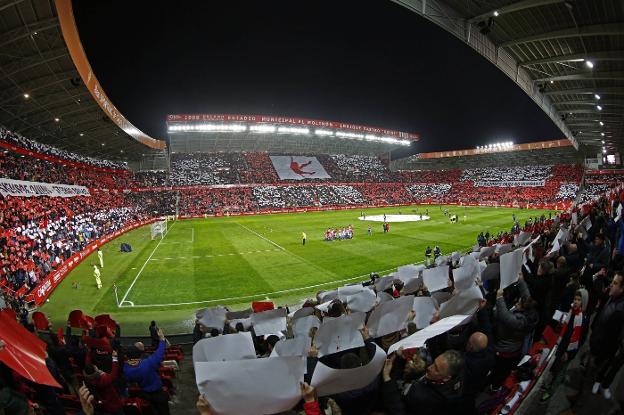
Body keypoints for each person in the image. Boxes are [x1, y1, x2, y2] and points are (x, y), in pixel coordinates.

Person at [382, 349, 465, 415]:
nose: (429, 368)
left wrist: (387, 377)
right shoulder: (455, 373)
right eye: (434, 363)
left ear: (447, 378)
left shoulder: (426, 398)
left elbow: (398, 409)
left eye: (436, 369)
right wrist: (402, 360)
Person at [590, 272, 624, 399]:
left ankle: (599, 383)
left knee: (604, 367)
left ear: (622, 289)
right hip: (599, 345)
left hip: (603, 350)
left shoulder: (619, 311)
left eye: (615, 283)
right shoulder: (613, 297)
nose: (611, 285)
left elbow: (610, 338)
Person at [124, 328, 170, 414]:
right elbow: (160, 352)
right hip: (158, 393)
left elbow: (128, 380)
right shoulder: (148, 363)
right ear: (139, 354)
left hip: (145, 394)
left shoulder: (126, 368)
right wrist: (162, 339)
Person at [83, 350, 124, 415]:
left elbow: (88, 364)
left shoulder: (88, 380)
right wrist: (115, 358)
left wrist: (89, 352)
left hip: (103, 403)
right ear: (96, 371)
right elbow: (114, 372)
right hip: (113, 405)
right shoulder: (104, 380)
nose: (96, 366)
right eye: (95, 367)